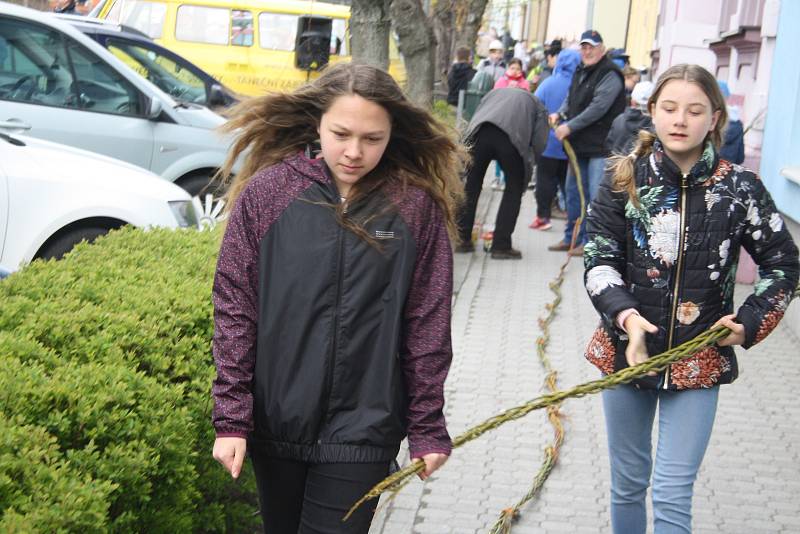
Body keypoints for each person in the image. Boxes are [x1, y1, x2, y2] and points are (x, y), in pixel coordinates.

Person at [210, 63, 464, 533]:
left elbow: (427, 322)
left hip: (364, 428)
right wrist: (232, 417)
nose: (354, 152)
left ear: (393, 134)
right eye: (341, 134)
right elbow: (235, 305)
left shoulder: (414, 206)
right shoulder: (269, 192)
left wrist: (427, 425)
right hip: (276, 419)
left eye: (372, 138)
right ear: (316, 124)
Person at [583, 63, 799, 534]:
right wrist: (627, 319)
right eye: (670, 108)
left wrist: (749, 322)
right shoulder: (624, 178)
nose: (681, 119)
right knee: (627, 483)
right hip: (626, 353)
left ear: (715, 118)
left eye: (695, 110)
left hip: (699, 358)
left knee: (673, 491)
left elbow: (784, 264)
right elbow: (598, 260)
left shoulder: (740, 189)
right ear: (653, 113)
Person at [548, 29, 626, 256]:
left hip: (600, 148)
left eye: (592, 46)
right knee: (573, 194)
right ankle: (571, 237)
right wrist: (560, 114)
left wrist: (569, 126)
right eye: (584, 46)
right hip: (579, 145)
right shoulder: (580, 70)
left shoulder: (610, 74)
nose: (587, 51)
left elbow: (598, 108)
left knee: (594, 196)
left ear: (602, 49)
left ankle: (592, 243)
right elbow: (570, 99)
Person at [455, 87, 548, 259]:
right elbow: (539, 140)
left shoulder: (494, 93)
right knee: (513, 189)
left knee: (472, 185)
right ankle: (501, 246)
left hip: (480, 134)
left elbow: (476, 116)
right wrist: (531, 161)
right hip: (512, 140)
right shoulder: (536, 103)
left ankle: (462, 239)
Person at [529, 48, 581, 231]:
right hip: (571, 144)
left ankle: (543, 217)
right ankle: (574, 222)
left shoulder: (548, 83)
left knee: (544, 181)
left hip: (548, 142)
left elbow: (533, 107)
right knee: (569, 186)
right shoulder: (578, 85)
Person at [605, 80, 654, 156]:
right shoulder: (655, 125)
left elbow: (609, 145)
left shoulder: (619, 119)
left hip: (618, 164)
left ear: (632, 101)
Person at [717, 81, 745, 164]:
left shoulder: (709, 122)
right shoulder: (738, 124)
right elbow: (740, 158)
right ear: (727, 97)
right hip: (728, 172)